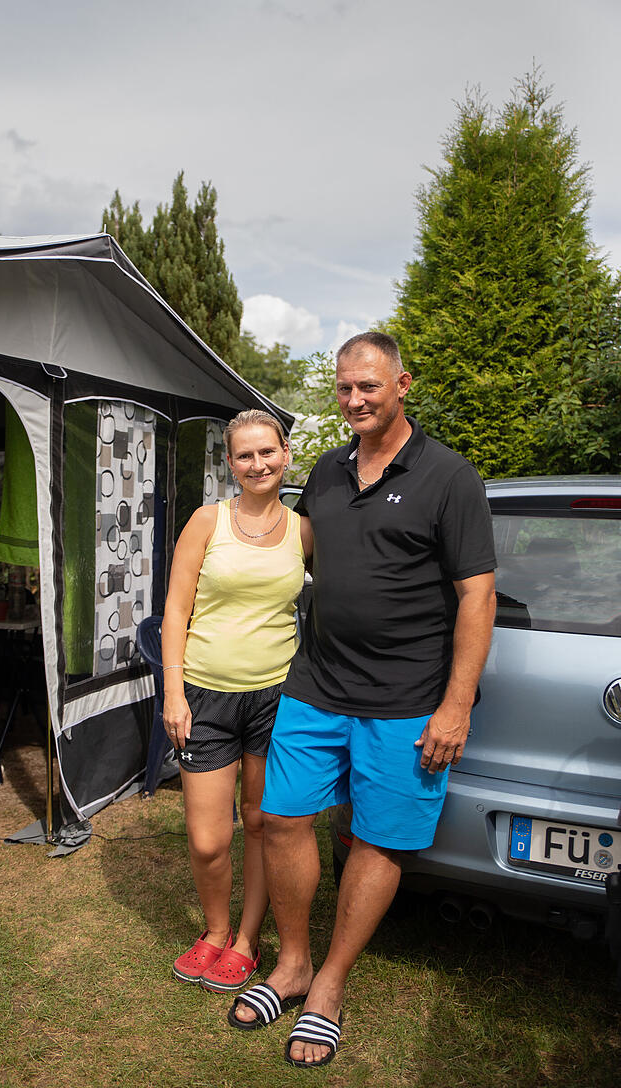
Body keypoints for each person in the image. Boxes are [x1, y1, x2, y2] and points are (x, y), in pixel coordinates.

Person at [228, 332, 496, 1067]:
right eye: (344, 388)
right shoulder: (325, 469)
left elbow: (477, 595)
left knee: (378, 838)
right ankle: (292, 964)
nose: (354, 400)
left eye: (369, 387)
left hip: (408, 698)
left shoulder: (450, 476)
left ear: (402, 383)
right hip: (316, 684)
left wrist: (457, 703)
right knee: (280, 819)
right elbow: (295, 551)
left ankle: (329, 987)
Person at [161, 409, 311, 994]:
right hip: (204, 694)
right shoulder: (207, 521)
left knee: (260, 823)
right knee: (207, 838)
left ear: (285, 454)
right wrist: (173, 691)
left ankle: (246, 939)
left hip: (277, 696)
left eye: (267, 452)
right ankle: (215, 930)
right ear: (230, 463)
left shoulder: (304, 531)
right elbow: (175, 609)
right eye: (245, 456)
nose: (258, 464)